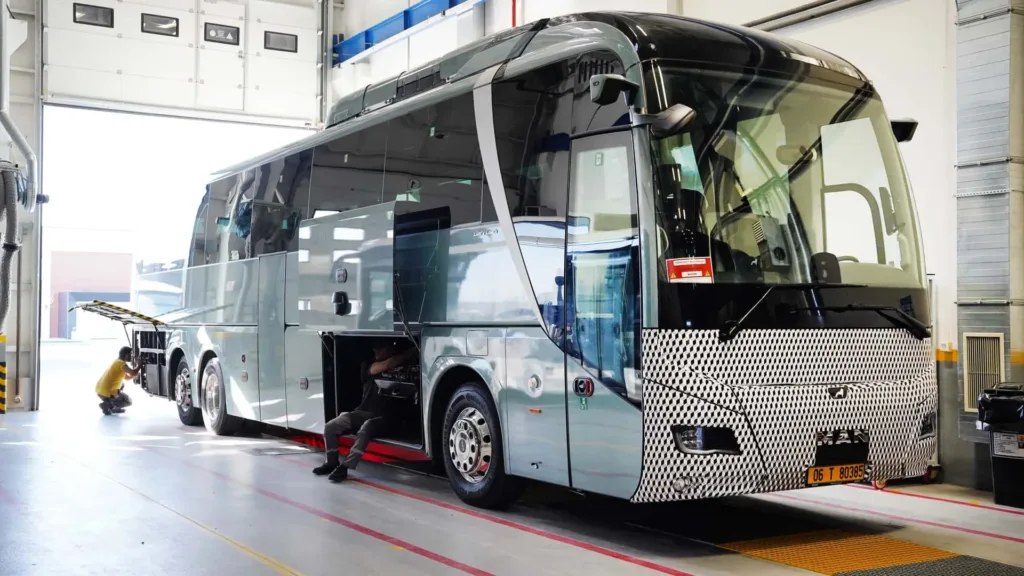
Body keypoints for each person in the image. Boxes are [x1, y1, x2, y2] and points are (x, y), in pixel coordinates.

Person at [313, 341, 417, 483]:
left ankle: (345, 466)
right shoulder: (368, 365)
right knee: (331, 426)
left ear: (391, 348)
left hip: (386, 417)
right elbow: (387, 364)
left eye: (381, 348)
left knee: (368, 426)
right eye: (375, 348)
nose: (376, 351)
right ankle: (331, 462)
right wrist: (410, 352)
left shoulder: (404, 367)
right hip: (363, 412)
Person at [96, 346, 140, 415]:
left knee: (122, 384)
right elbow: (133, 372)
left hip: (100, 390)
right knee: (128, 401)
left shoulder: (116, 362)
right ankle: (107, 405)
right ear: (126, 355)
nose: (132, 357)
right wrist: (140, 365)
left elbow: (127, 378)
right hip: (107, 392)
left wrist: (136, 375)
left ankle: (111, 405)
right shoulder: (121, 363)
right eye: (131, 355)